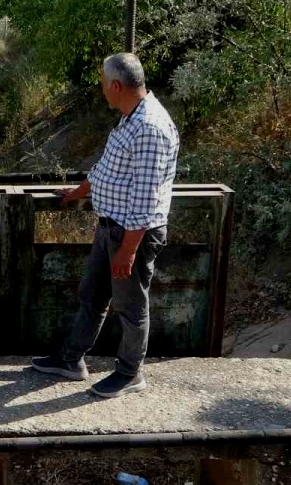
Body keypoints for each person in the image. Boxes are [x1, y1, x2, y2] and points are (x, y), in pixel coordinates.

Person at [31, 53, 180, 398]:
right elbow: (106, 171)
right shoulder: (130, 118)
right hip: (111, 226)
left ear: (116, 85)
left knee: (130, 307)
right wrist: (77, 191)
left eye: (102, 82)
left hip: (132, 235)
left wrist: (128, 251)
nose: (101, 89)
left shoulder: (149, 127)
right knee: (93, 295)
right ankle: (70, 360)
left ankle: (130, 373)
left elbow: (144, 200)